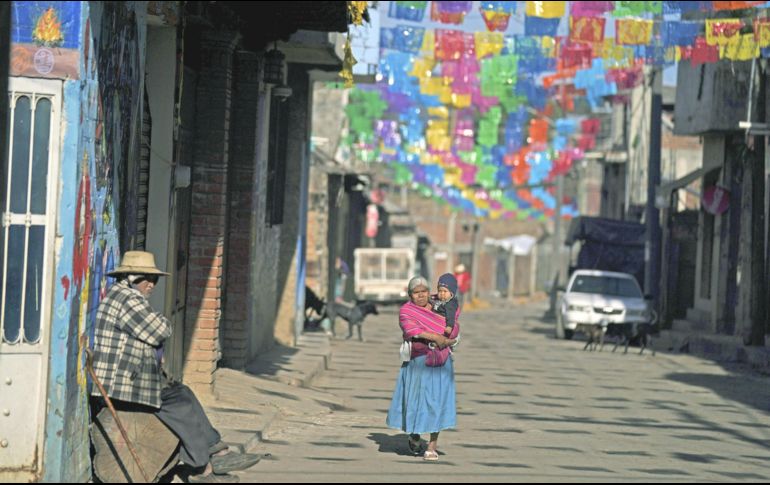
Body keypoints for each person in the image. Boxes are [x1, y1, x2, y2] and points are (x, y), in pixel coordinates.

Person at [91, 251, 261, 483]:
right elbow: (161, 330)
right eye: (146, 279)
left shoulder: (125, 297)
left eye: (155, 280)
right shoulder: (127, 300)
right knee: (179, 405)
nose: (151, 284)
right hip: (121, 386)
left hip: (131, 378)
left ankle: (217, 450)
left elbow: (155, 328)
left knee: (183, 393)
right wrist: (162, 322)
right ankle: (201, 468)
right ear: (131, 278)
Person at [386, 276, 458, 462]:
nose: (420, 296)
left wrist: (448, 339)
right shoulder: (407, 311)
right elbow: (411, 330)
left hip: (441, 361)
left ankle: (432, 445)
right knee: (415, 401)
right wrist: (435, 337)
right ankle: (415, 435)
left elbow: (454, 325)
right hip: (417, 361)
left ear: (429, 291)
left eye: (423, 292)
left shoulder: (440, 306)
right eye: (416, 293)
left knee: (437, 401)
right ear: (410, 295)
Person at [430, 273, 460, 338]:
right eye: (440, 291)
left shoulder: (450, 303)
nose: (442, 293)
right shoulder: (438, 300)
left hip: (442, 325)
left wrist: (449, 326)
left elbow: (451, 316)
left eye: (445, 291)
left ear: (451, 293)